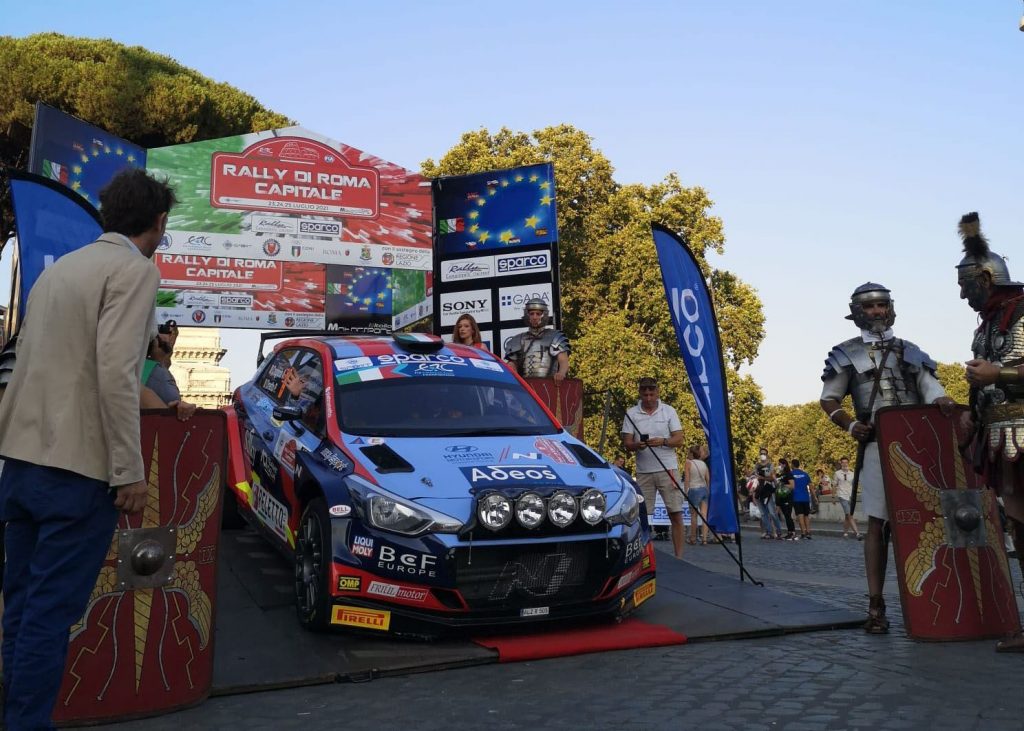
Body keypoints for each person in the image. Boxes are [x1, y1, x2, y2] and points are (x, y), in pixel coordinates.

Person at [0, 168, 174, 729]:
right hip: (76, 473)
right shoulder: (135, 270)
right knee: (48, 615)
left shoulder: (60, 271)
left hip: (21, 463)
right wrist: (129, 471)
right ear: (159, 222)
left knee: (21, 607)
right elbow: (116, 375)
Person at [820, 282, 955, 634]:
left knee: (926, 521)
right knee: (878, 525)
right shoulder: (847, 353)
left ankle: (934, 600)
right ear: (858, 313)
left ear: (890, 308)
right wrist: (851, 426)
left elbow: (931, 390)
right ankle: (876, 603)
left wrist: (943, 401)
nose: (877, 311)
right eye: (870, 306)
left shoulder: (911, 351)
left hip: (917, 448)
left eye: (882, 305)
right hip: (877, 447)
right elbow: (829, 399)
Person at [955, 212, 1024, 651]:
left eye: (966, 285)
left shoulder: (1022, 314)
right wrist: (974, 414)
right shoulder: (988, 325)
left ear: (985, 279)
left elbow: (1003, 372)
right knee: (1019, 527)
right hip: (1003, 434)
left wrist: (998, 374)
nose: (962, 294)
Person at [621, 377, 685, 558]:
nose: (648, 398)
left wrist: (663, 441)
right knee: (640, 516)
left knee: (676, 513)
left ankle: (679, 558)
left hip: (668, 468)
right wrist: (637, 445)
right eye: (645, 394)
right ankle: (641, 556)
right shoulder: (631, 413)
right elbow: (627, 443)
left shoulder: (669, 411)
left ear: (657, 392)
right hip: (643, 471)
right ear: (640, 393)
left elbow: (679, 439)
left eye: (652, 393)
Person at [503, 297, 570, 380]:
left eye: (538, 314)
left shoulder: (555, 336)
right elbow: (512, 363)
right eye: (531, 314)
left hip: (549, 384)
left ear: (544, 315)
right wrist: (512, 368)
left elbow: (563, 361)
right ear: (527, 315)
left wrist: (561, 373)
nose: (534, 317)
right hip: (525, 385)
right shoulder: (518, 339)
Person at [684, 444, 710, 544]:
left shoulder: (688, 463)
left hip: (693, 489)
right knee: (704, 515)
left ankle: (693, 538)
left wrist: (686, 491)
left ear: (692, 453)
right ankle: (704, 539)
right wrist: (707, 490)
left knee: (693, 515)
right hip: (704, 489)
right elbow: (708, 479)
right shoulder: (704, 464)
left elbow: (687, 479)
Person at [754, 448, 783, 539]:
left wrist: (762, 478)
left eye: (764, 453)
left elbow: (772, 478)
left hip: (768, 491)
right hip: (759, 491)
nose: (762, 455)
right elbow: (753, 476)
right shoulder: (757, 465)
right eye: (761, 453)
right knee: (763, 514)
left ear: (767, 455)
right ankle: (769, 532)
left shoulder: (770, 465)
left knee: (772, 512)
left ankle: (779, 531)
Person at [833, 457, 861, 539]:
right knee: (850, 515)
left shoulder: (852, 473)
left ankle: (845, 533)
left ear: (848, 463)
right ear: (841, 463)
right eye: (843, 462)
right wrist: (833, 497)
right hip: (842, 495)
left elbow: (855, 485)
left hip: (850, 496)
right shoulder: (837, 473)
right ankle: (857, 533)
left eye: (846, 462)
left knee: (847, 515)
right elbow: (834, 485)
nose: (845, 464)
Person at [791, 458, 815, 539]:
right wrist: (814, 497)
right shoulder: (805, 474)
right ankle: (808, 532)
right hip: (805, 498)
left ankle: (803, 533)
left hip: (796, 498)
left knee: (800, 516)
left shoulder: (791, 474)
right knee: (806, 515)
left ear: (792, 465)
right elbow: (811, 487)